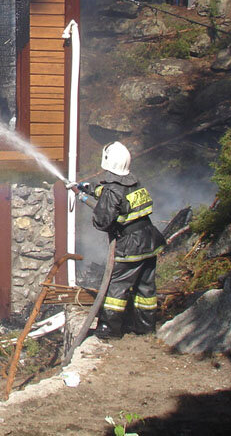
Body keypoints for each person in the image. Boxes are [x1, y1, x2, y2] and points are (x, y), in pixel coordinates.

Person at [83, 142, 166, 338]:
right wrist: (88, 189)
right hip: (149, 240)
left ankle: (109, 329)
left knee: (116, 287)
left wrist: (85, 201)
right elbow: (113, 194)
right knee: (145, 287)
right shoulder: (135, 184)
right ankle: (145, 327)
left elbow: (102, 221)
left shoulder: (113, 191)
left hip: (130, 245)